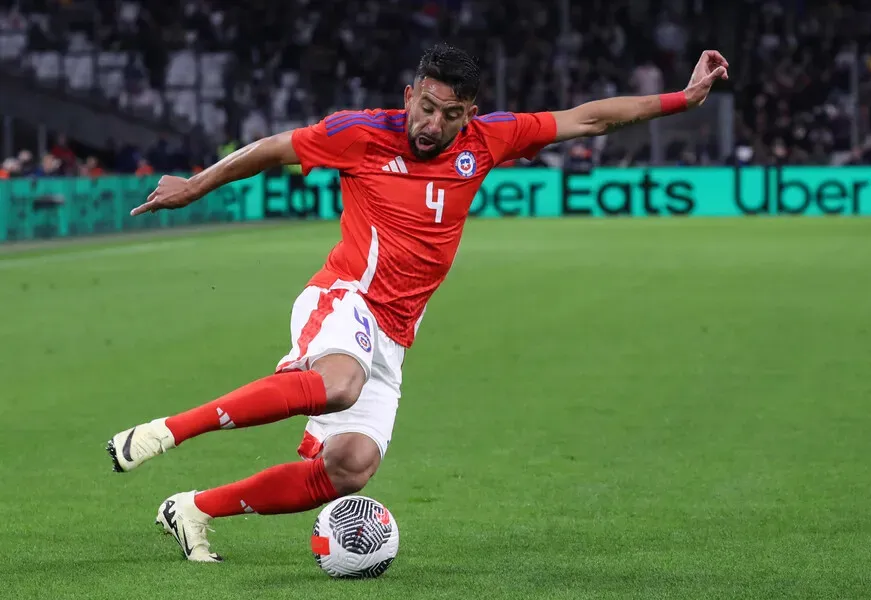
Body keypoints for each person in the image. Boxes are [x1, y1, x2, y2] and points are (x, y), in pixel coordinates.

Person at [107, 43, 728, 562]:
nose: (431, 124)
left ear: (469, 114)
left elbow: (588, 118)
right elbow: (273, 148)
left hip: (395, 336)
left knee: (350, 467)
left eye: (448, 114)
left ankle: (192, 510)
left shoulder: (489, 140)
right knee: (340, 385)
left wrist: (684, 98)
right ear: (409, 96)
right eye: (425, 107)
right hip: (343, 297)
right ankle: (165, 432)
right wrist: (194, 185)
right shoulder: (361, 133)